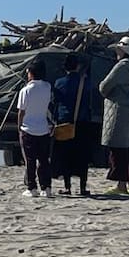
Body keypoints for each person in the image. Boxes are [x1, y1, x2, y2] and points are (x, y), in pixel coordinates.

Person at [99, 36, 129, 196]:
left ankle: (121, 185)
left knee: (118, 148)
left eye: (118, 49)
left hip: (120, 109)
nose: (116, 52)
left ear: (124, 51)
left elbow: (104, 86)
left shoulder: (122, 66)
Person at [51, 54, 97, 196]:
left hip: (64, 122)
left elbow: (55, 101)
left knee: (65, 156)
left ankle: (67, 187)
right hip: (83, 122)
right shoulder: (86, 82)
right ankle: (83, 187)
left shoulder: (59, 83)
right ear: (77, 66)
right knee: (82, 156)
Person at [17, 58, 54, 197]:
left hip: (28, 129)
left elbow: (21, 111)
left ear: (31, 73)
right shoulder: (47, 87)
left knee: (30, 160)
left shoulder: (25, 90)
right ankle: (46, 187)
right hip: (43, 128)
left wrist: (19, 126)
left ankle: (31, 187)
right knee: (44, 160)